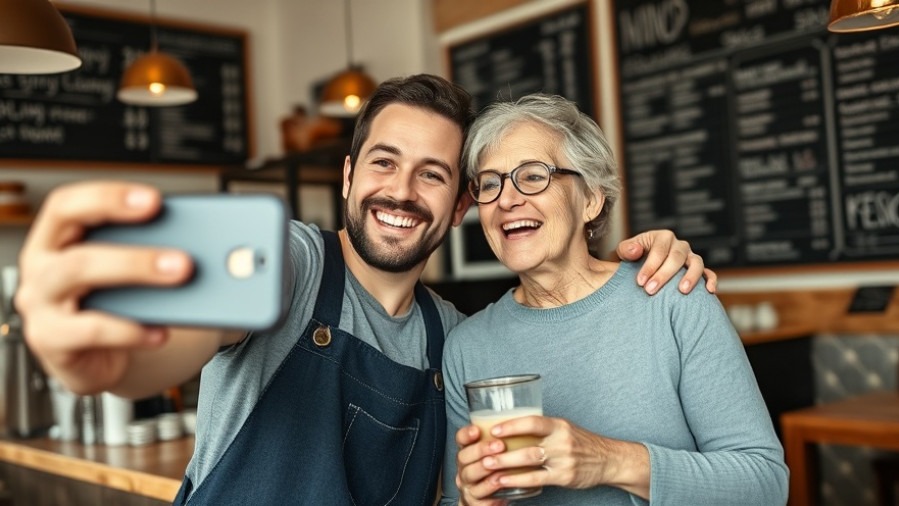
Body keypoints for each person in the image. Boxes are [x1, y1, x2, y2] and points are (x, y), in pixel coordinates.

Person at [15, 75, 714, 505]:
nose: (402, 192)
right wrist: (117, 357)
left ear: (458, 207)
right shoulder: (290, 263)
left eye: (432, 175)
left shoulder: (455, 338)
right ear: (348, 177)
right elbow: (189, 323)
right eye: (384, 162)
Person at [441, 94, 787, 506]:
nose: (506, 199)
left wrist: (607, 461)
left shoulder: (670, 299)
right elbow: (456, 497)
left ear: (591, 199)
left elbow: (765, 484)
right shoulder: (467, 346)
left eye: (533, 176)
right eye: (490, 183)